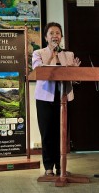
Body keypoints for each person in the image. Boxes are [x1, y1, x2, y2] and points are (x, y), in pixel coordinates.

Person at [32, 22, 81, 176]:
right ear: (46, 37)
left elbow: (75, 80)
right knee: (47, 133)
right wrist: (51, 55)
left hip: (64, 98)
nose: (55, 36)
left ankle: (61, 166)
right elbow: (39, 72)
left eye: (58, 33)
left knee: (62, 133)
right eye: (51, 33)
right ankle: (48, 168)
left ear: (61, 37)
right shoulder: (38, 53)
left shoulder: (69, 55)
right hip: (45, 98)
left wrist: (75, 72)